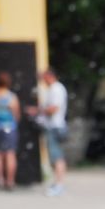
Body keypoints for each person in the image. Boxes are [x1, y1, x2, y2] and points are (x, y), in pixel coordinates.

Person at [36, 68, 69, 196]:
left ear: (49, 76)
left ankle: (59, 184)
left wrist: (39, 111)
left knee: (57, 156)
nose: (42, 80)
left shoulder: (56, 89)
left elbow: (54, 108)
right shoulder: (54, 89)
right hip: (55, 126)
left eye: (43, 77)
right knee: (56, 156)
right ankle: (58, 183)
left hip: (55, 126)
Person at [0, 70, 21, 190]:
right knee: (10, 154)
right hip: (9, 126)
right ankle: (10, 181)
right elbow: (16, 113)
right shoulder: (10, 96)